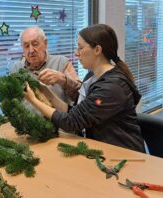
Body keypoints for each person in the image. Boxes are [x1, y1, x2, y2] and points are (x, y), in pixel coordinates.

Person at [24, 24, 145, 152]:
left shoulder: (111, 87)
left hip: (123, 154)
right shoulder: (92, 77)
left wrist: (33, 100)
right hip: (100, 150)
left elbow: (71, 122)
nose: (76, 53)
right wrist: (45, 91)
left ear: (97, 50)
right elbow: (75, 113)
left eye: (81, 48)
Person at [10, 26, 81, 104]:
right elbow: (12, 101)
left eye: (35, 44)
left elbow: (80, 96)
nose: (31, 50)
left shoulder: (61, 63)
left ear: (45, 43)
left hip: (57, 115)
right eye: (26, 46)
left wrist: (63, 80)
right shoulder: (16, 68)